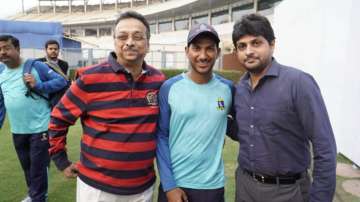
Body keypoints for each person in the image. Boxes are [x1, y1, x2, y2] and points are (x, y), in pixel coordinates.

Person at [48, 11, 165, 202]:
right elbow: (59, 118)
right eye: (122, 36)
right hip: (97, 190)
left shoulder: (158, 80)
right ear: (115, 42)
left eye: (137, 37)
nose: (129, 42)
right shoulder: (89, 78)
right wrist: (61, 160)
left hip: (142, 189)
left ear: (148, 44)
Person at [231, 13, 337, 202]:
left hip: (287, 192)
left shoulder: (298, 83)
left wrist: (320, 198)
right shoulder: (240, 89)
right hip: (245, 187)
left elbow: (324, 147)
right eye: (242, 46)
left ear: (272, 44)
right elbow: (244, 132)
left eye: (256, 43)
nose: (248, 51)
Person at [156, 23, 234, 202]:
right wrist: (169, 185)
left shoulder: (228, 89)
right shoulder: (169, 88)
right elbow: (161, 136)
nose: (203, 55)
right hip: (176, 185)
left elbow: (238, 124)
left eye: (209, 49)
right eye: (197, 48)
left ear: (218, 52)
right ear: (186, 51)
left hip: (212, 186)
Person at [0, 35, 67, 202]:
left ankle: (38, 198)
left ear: (17, 49)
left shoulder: (35, 66)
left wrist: (39, 85)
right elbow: (1, 102)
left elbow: (62, 81)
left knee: (38, 168)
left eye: (6, 48)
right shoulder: (1, 72)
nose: (2, 52)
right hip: (17, 129)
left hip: (40, 128)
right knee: (27, 167)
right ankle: (34, 194)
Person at [37, 39, 70, 107]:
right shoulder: (39, 62)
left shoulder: (64, 64)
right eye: (50, 49)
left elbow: (64, 80)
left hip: (59, 96)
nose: (53, 51)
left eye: (55, 49)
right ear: (46, 50)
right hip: (44, 94)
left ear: (58, 50)